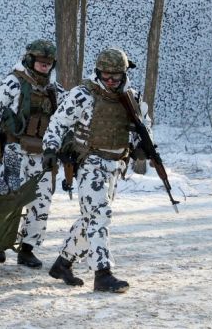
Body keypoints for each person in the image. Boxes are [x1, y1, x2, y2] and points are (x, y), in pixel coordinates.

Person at [41, 47, 145, 293]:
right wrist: (49, 150)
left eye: (116, 77)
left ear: (124, 74)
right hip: (90, 163)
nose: (110, 82)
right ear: (98, 72)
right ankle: (102, 273)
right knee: (100, 215)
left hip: (116, 165)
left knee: (92, 217)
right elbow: (58, 123)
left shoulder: (131, 97)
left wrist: (142, 147)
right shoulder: (82, 95)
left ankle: (63, 263)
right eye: (106, 76)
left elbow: (142, 125)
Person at [0, 39, 64, 268]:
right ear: (30, 59)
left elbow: (64, 122)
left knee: (41, 201)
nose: (44, 65)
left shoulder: (55, 91)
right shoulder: (13, 83)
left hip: (42, 155)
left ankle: (27, 249)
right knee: (8, 198)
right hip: (14, 150)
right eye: (40, 61)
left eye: (48, 62)